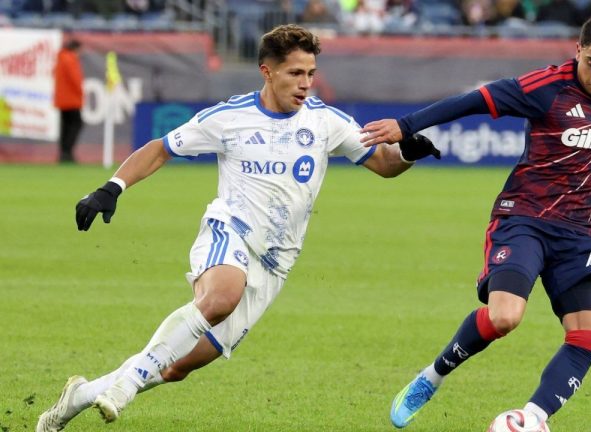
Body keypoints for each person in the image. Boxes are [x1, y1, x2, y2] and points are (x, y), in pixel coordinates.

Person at [36, 24, 440, 432]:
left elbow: (383, 164)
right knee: (220, 297)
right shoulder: (230, 118)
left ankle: (81, 396)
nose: (305, 84)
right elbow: (161, 148)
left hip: (275, 264)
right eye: (294, 74)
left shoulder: (326, 122)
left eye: (311, 74)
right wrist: (112, 187)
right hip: (229, 232)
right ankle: (125, 387)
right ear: (267, 71)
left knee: (177, 368)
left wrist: (407, 152)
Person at [361, 13, 591, 431]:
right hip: (525, 220)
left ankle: (531, 418)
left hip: (584, 235)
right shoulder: (545, 88)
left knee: (589, 335)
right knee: (505, 317)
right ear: (578, 50)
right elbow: (474, 100)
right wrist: (406, 125)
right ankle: (431, 376)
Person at [53, 38, 84, 163]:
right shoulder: (70, 59)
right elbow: (75, 79)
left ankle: (63, 153)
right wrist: (81, 92)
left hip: (62, 99)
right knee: (76, 125)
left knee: (65, 126)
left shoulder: (61, 58)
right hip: (71, 99)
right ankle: (67, 152)